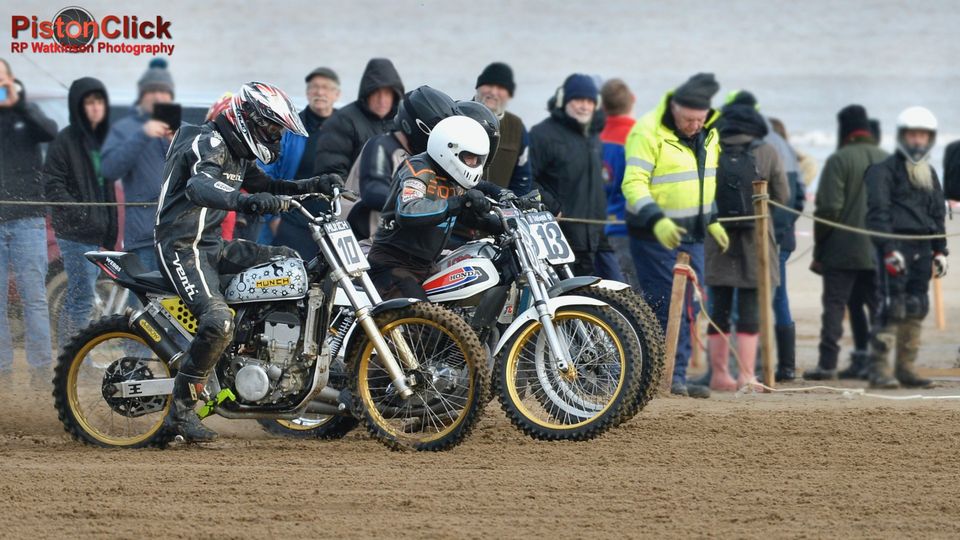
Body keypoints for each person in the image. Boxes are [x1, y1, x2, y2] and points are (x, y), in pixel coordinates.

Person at [155, 82, 343, 441]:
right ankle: (178, 415)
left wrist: (315, 184)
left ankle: (266, 358)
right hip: (181, 246)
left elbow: (268, 186)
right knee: (218, 321)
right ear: (249, 120)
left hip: (212, 245)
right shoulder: (205, 141)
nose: (275, 137)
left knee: (290, 262)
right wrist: (246, 203)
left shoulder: (237, 151)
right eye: (272, 128)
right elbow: (199, 187)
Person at [622, 73, 723, 398]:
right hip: (655, 237)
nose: (694, 125)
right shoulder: (647, 131)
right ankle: (661, 377)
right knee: (665, 304)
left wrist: (713, 219)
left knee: (692, 304)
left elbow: (704, 179)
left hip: (694, 234)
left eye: (699, 119)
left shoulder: (709, 131)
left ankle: (675, 374)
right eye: (688, 119)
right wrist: (657, 221)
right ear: (675, 108)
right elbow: (633, 183)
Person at [367, 115, 507, 300]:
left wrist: (503, 225)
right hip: (392, 264)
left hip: (426, 266)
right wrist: (457, 203)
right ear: (448, 150)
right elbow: (408, 211)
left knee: (461, 308)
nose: (473, 164)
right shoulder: (418, 168)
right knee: (421, 324)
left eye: (477, 159)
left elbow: (462, 215)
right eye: (469, 158)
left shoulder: (451, 176)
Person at [275, 58, 403, 259]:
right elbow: (330, 174)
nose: (382, 100)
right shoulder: (343, 121)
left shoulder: (399, 124)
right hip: (326, 216)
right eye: (376, 93)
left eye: (388, 94)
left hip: (384, 218)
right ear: (366, 93)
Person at [704, 100, 789, 391]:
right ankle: (747, 376)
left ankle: (718, 375)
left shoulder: (710, 148)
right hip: (756, 239)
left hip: (718, 238)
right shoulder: (766, 151)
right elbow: (782, 195)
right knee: (751, 308)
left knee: (719, 308)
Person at [864, 106, 947, 389]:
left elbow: (937, 213)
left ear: (930, 139)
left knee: (917, 306)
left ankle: (906, 368)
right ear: (902, 136)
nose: (918, 140)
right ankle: (879, 369)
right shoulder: (882, 171)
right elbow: (878, 213)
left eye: (923, 135)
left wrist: (940, 250)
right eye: (913, 134)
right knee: (891, 306)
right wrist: (888, 248)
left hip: (922, 248)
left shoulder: (930, 173)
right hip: (894, 245)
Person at [804, 105, 888, 381]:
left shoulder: (839, 160)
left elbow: (828, 209)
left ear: (845, 130)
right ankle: (880, 364)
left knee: (835, 307)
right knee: (877, 307)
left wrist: (819, 248)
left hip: (841, 250)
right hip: (879, 249)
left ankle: (827, 364)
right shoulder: (887, 159)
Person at [42, 78, 117, 349]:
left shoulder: (103, 140)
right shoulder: (65, 140)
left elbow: (108, 188)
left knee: (81, 296)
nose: (96, 107)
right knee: (81, 298)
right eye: (89, 102)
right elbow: (52, 184)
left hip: (97, 233)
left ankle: (72, 356)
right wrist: (82, 214)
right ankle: (72, 358)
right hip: (74, 234)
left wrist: (110, 230)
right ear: (78, 105)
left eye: (99, 102)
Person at [0, 58, 57, 383]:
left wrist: (18, 103)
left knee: (33, 294)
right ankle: (2, 368)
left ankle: (40, 368)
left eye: (1, 79)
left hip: (28, 220)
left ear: (12, 81)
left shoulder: (27, 113)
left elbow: (49, 131)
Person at [345, 86, 460, 240]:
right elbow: (373, 191)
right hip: (365, 241)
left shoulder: (430, 158)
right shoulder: (382, 146)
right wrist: (421, 203)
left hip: (407, 243)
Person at [529, 74, 610, 277]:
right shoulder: (542, 134)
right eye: (578, 100)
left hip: (595, 238)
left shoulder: (593, 136)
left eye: (589, 101)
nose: (584, 106)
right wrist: (552, 207)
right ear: (564, 101)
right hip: (559, 239)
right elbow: (524, 179)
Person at [101, 58, 176, 273]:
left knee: (179, 303)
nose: (159, 96)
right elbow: (109, 169)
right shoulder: (125, 129)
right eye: (152, 90)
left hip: (178, 238)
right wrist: (142, 135)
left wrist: (177, 142)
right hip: (143, 237)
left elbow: (200, 171)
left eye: (164, 91)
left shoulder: (181, 130)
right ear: (142, 95)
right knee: (144, 304)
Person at [261, 67, 341, 246]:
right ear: (307, 92)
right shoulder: (289, 129)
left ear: (337, 94)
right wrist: (273, 218)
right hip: (292, 221)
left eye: (326, 87)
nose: (319, 92)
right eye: (314, 87)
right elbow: (265, 172)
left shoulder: (346, 129)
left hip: (336, 223)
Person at [598, 78, 639, 287]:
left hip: (602, 228)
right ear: (633, 100)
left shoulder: (596, 140)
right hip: (634, 227)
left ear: (603, 107)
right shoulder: (641, 137)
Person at [473, 62, 531, 194]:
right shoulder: (457, 114)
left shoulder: (517, 127)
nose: (493, 92)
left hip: (500, 210)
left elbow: (522, 179)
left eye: (500, 87)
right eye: (489, 85)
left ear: (509, 94)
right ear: (478, 86)